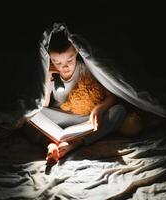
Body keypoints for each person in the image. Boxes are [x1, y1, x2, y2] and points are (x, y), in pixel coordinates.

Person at [28, 29, 127, 164]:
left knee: (119, 111)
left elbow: (111, 96)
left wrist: (100, 108)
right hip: (57, 117)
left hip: (83, 119)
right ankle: (50, 145)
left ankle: (75, 143)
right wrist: (47, 78)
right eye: (57, 62)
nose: (65, 66)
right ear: (50, 59)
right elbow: (44, 105)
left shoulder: (85, 70)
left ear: (75, 51)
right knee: (27, 115)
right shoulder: (49, 73)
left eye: (69, 60)